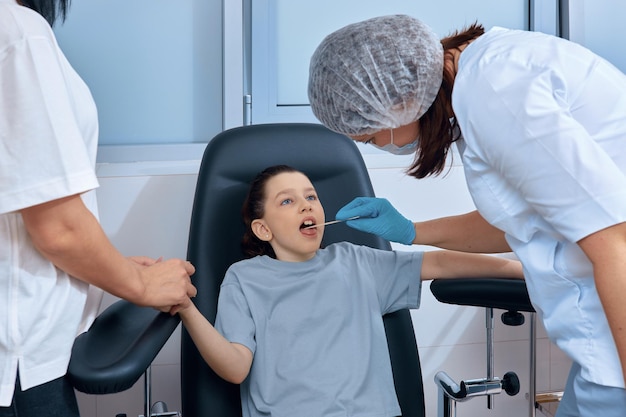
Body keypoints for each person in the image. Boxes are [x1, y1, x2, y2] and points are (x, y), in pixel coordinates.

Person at [307, 14, 626, 416]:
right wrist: (410, 230)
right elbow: (528, 220)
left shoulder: (497, 93)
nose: (376, 145)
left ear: (399, 99)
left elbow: (614, 241)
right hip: (598, 348)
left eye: (370, 136)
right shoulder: (484, 78)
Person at [178, 164, 523, 417]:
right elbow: (236, 367)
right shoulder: (245, 279)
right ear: (263, 229)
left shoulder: (355, 261)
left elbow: (441, 264)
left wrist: (524, 271)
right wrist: (186, 309)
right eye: (287, 201)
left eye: (311, 196)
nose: (306, 205)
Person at [0, 1, 197, 415]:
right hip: (18, 363)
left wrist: (109, 266)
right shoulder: (17, 30)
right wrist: (139, 285)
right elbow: (58, 229)